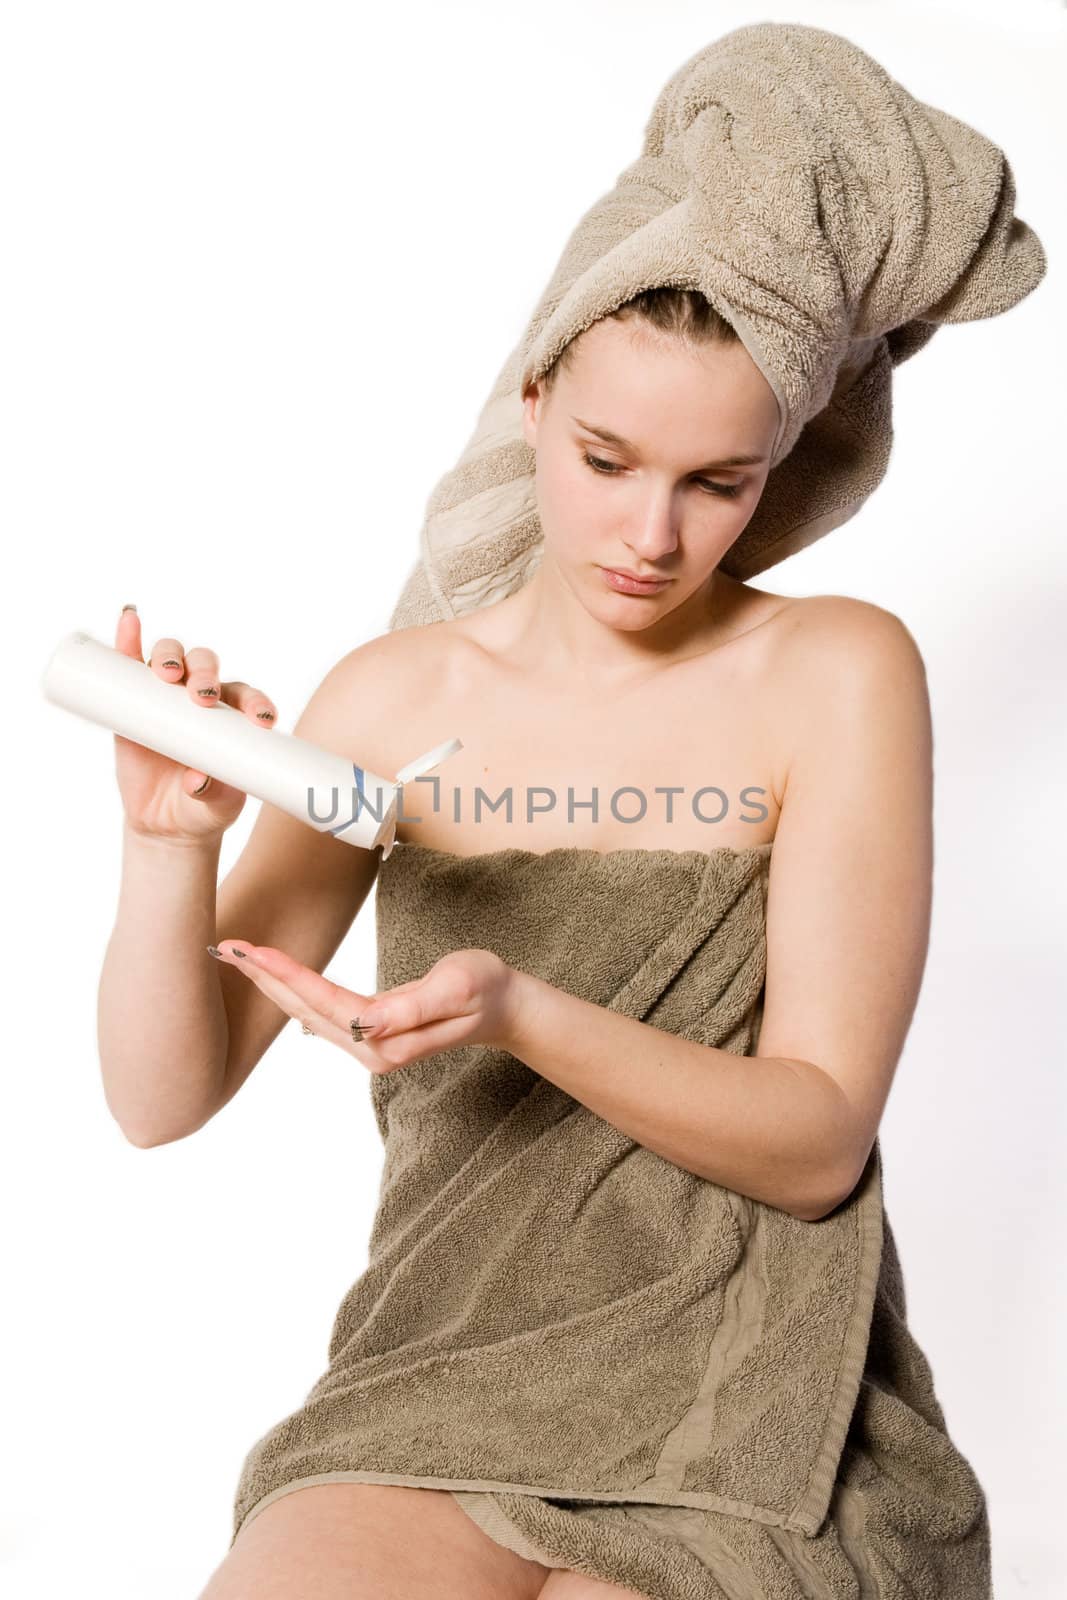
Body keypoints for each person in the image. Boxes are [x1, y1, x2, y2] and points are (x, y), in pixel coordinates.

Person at [101, 285, 974, 1600]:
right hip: (438, 1366)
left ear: (776, 467)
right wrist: (171, 848)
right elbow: (160, 1099)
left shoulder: (834, 669)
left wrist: (520, 1012)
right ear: (534, 409)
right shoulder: (393, 699)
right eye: (606, 462)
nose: (649, 535)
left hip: (745, 1382)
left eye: (717, 483)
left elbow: (815, 1147)